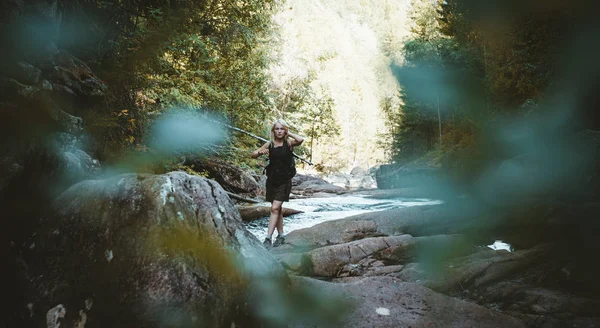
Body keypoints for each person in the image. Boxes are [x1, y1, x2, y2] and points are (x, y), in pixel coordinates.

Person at [251, 119, 303, 248]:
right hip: (272, 180)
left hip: (284, 181)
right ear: (273, 131)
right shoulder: (269, 144)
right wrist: (259, 153)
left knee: (274, 208)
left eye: (282, 129)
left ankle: (268, 238)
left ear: (285, 130)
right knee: (277, 209)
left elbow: (300, 140)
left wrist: (288, 133)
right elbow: (253, 155)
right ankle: (281, 236)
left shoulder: (289, 143)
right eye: (277, 129)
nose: (279, 131)